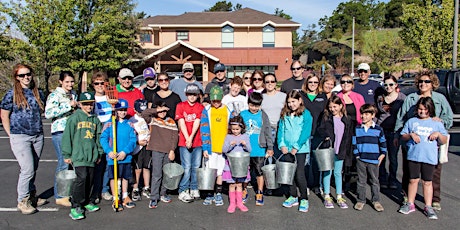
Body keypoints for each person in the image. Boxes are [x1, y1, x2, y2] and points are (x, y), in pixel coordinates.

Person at [394, 70, 453, 211]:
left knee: (433, 172)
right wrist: (397, 135)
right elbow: (401, 117)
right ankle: (407, 197)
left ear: (432, 83)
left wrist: (441, 122)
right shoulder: (411, 98)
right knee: (409, 171)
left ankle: (434, 199)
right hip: (412, 139)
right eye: (420, 81)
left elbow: (449, 117)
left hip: (432, 143)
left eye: (426, 81)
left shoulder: (440, 98)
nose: (423, 84)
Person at [1, 63, 46, 214]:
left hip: (37, 135)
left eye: (28, 74)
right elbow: (4, 115)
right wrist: (11, 134)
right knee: (27, 168)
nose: (26, 77)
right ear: (16, 78)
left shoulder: (37, 92)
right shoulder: (11, 94)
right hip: (20, 136)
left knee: (33, 168)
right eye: (22, 75)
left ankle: (32, 195)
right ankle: (23, 200)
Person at [398, 97, 448, 220]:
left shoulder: (436, 123)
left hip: (429, 158)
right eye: (420, 109)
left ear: (430, 109)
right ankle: (410, 203)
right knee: (413, 180)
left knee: (427, 182)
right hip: (414, 156)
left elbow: (444, 140)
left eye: (425, 109)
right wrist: (410, 135)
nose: (422, 111)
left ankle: (428, 206)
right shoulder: (411, 121)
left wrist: (438, 134)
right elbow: (403, 136)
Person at [61, 92, 103, 220]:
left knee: (90, 179)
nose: (89, 107)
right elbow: (67, 137)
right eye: (85, 104)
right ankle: (76, 205)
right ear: (80, 104)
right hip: (78, 155)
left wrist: (99, 152)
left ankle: (86, 201)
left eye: (91, 104)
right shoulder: (74, 118)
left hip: (91, 155)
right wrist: (67, 153)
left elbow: (98, 137)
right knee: (81, 178)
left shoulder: (95, 120)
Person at [44, 71, 77, 207]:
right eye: (67, 82)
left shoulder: (73, 94)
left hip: (73, 131)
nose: (69, 84)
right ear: (61, 82)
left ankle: (68, 192)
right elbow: (48, 113)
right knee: (63, 162)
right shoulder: (55, 95)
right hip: (60, 131)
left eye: (71, 81)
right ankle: (60, 195)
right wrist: (68, 105)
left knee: (72, 163)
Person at [277, 90, 312, 213]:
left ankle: (304, 198)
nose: (291, 104)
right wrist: (282, 145)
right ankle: (293, 196)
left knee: (299, 173)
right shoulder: (284, 114)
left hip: (300, 150)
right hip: (287, 149)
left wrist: (296, 147)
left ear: (300, 101)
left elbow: (306, 132)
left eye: (294, 101)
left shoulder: (306, 114)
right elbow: (281, 130)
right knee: (289, 173)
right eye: (289, 102)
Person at [100, 99, 138, 211]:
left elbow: (132, 140)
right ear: (116, 111)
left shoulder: (129, 124)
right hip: (113, 157)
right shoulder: (110, 124)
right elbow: (103, 139)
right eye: (120, 110)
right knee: (114, 177)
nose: (122, 112)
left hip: (125, 157)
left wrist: (125, 152)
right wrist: (109, 151)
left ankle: (125, 196)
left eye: (124, 110)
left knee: (125, 177)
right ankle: (116, 197)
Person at [316, 95, 353, 209]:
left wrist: (348, 152)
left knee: (338, 173)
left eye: (335, 106)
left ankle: (339, 195)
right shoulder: (326, 118)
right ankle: (327, 195)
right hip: (328, 149)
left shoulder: (347, 120)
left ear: (341, 106)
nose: (333, 109)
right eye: (331, 107)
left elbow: (349, 137)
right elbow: (320, 129)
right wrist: (325, 136)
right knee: (328, 172)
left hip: (340, 150)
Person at [142, 102, 178, 208]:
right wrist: (157, 110)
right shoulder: (153, 120)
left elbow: (174, 138)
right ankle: (154, 197)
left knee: (166, 174)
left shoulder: (171, 122)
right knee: (157, 174)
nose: (162, 112)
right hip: (157, 150)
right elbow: (144, 113)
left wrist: (172, 150)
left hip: (168, 151)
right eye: (160, 110)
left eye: (164, 110)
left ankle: (163, 193)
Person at [200, 86, 233, 206]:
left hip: (223, 148)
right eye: (213, 100)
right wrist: (205, 147)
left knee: (220, 172)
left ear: (222, 98)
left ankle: (218, 193)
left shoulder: (228, 110)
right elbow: (203, 129)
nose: (216, 103)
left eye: (218, 100)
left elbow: (232, 128)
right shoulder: (207, 110)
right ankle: (210, 193)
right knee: (211, 171)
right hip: (211, 148)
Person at [239, 92, 273, 205]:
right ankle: (244, 190)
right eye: (252, 105)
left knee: (259, 172)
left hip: (259, 149)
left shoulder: (263, 115)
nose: (254, 108)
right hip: (244, 149)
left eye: (257, 106)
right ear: (248, 104)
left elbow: (268, 132)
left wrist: (270, 147)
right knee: (244, 171)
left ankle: (260, 192)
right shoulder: (242, 114)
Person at [352, 104, 387, 212]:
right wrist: (357, 155)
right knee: (361, 180)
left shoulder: (378, 129)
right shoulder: (357, 129)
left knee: (374, 181)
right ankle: (361, 200)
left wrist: (382, 154)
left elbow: (383, 143)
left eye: (367, 114)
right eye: (362, 114)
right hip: (361, 159)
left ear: (373, 115)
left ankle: (376, 200)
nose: (363, 116)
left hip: (373, 159)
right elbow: (354, 143)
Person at [175, 84, 204, 202]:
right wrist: (187, 138)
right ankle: (183, 189)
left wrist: (191, 138)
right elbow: (181, 123)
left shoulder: (200, 107)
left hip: (197, 141)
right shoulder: (180, 105)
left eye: (194, 94)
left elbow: (197, 122)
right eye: (190, 94)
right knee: (186, 166)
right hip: (184, 141)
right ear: (186, 94)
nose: (192, 97)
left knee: (196, 166)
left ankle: (194, 187)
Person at [375, 75, 406, 189]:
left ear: (396, 85)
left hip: (394, 132)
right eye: (386, 85)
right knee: (382, 156)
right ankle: (382, 178)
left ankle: (392, 179)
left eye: (391, 84)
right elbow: (377, 113)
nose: (388, 87)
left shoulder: (402, 98)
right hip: (381, 130)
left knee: (393, 157)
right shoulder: (380, 98)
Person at [301, 73, 328, 194]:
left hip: (318, 133)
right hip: (304, 133)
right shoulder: (301, 96)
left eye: (315, 82)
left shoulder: (323, 97)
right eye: (310, 82)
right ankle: (305, 185)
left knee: (317, 161)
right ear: (306, 83)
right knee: (306, 161)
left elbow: (327, 115)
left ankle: (317, 185)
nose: (313, 84)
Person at [222, 116, 251, 213]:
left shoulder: (245, 137)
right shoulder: (228, 137)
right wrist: (230, 145)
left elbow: (249, 150)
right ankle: (232, 203)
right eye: (233, 129)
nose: (235, 131)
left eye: (237, 129)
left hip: (241, 164)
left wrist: (245, 145)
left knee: (239, 184)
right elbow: (224, 150)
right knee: (232, 184)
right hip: (231, 164)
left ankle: (239, 203)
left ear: (241, 128)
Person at [91, 72, 113, 202]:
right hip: (97, 130)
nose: (100, 86)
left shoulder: (111, 97)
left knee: (107, 162)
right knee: (97, 162)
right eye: (97, 83)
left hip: (110, 130)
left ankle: (105, 189)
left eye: (102, 83)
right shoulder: (92, 99)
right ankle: (95, 191)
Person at [129, 99, 151, 201]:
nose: (142, 113)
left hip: (147, 146)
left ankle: (146, 187)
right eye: (139, 111)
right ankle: (135, 188)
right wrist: (138, 142)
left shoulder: (148, 119)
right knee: (138, 169)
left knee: (147, 167)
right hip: (137, 147)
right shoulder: (132, 120)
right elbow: (130, 136)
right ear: (135, 110)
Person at [261, 73, 286, 159]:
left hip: (280, 129)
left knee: (279, 155)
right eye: (267, 82)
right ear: (264, 84)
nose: (270, 83)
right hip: (266, 130)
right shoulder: (261, 97)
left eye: (272, 81)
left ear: (275, 83)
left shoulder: (283, 96)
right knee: (269, 157)